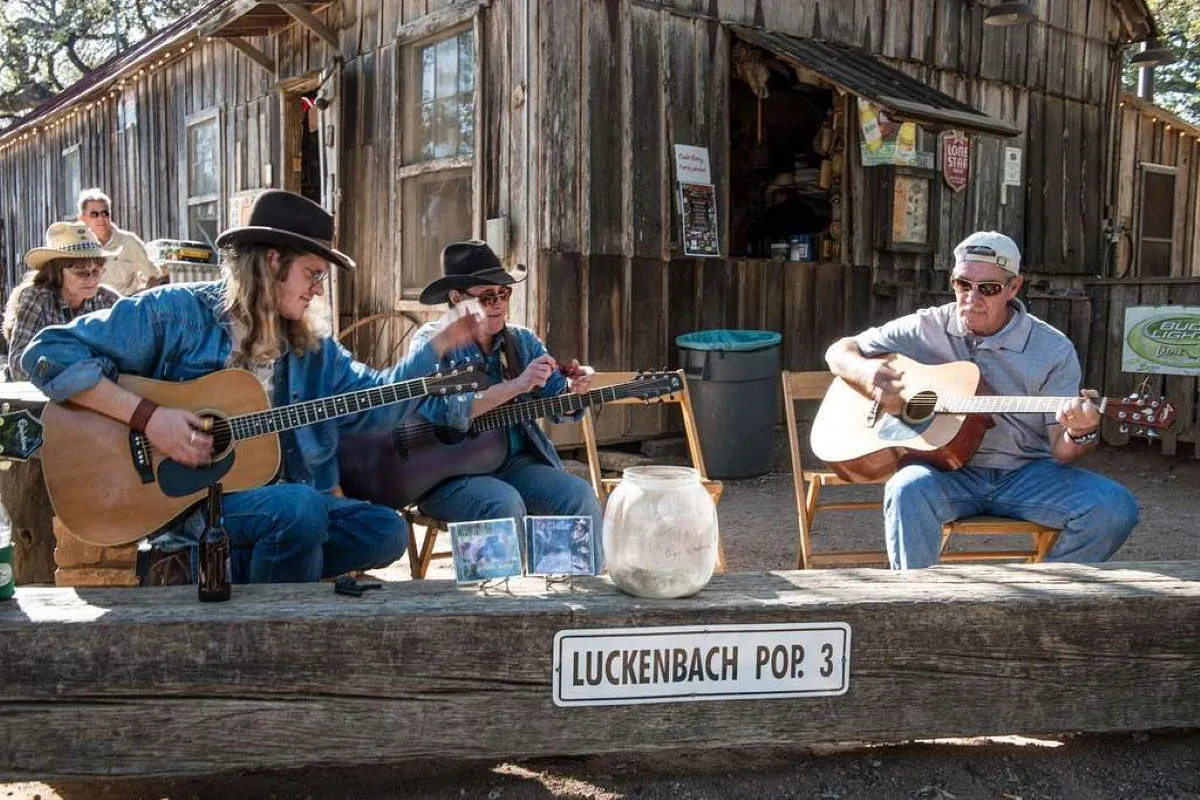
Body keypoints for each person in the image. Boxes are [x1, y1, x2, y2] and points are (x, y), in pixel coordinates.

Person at [22, 190, 473, 583]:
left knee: (384, 531)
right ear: (273, 262)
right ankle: (265, 617)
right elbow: (47, 353)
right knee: (300, 510)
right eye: (312, 273)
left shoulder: (311, 346)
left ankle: (227, 573)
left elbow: (374, 405)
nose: (318, 290)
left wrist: (433, 352)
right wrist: (151, 419)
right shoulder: (176, 313)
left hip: (272, 508)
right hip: (191, 507)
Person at [824, 231, 1139, 569]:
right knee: (905, 489)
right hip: (944, 471)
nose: (972, 297)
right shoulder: (927, 326)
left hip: (1026, 473)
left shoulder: (1053, 349)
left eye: (988, 288)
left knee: (1115, 508)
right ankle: (919, 605)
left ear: (1013, 287)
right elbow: (840, 350)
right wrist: (865, 375)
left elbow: (1063, 450)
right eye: (963, 284)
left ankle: (1040, 598)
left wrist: (1081, 431)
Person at [408, 241, 605, 556]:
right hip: (447, 473)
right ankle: (500, 600)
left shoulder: (522, 341)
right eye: (486, 297)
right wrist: (516, 386)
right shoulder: (431, 342)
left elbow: (559, 404)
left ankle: (580, 592)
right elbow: (441, 411)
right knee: (503, 502)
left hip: (516, 465)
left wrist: (575, 389)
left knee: (578, 495)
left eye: (503, 294)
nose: (498, 304)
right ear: (457, 299)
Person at [3, 221, 121, 380]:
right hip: (36, 394)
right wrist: (61, 371)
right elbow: (18, 363)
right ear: (57, 272)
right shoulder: (37, 300)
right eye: (81, 273)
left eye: (97, 271)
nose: (92, 279)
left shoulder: (108, 300)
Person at [77, 187, 164, 295]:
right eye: (94, 214)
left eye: (105, 213)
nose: (101, 218)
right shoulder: (79, 247)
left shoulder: (129, 242)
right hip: (92, 309)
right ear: (82, 218)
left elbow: (155, 277)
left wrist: (139, 301)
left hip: (124, 307)